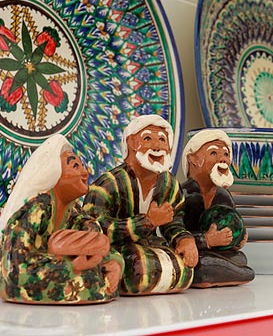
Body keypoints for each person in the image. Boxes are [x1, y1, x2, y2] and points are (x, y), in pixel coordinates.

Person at [0, 134, 123, 304]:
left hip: (62, 267)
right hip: (23, 274)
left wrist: (114, 262)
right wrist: (71, 265)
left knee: (95, 271)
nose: (85, 173)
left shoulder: (74, 211)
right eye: (75, 166)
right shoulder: (37, 209)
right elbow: (15, 266)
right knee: (88, 278)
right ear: (54, 173)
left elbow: (97, 241)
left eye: (82, 166)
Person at [82, 114, 198, 295]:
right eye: (148, 139)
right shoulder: (109, 184)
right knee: (138, 268)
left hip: (150, 246)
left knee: (185, 269)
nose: (157, 146)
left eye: (162, 140)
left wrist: (184, 240)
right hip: (117, 248)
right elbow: (94, 228)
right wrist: (147, 222)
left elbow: (174, 222)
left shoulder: (169, 184)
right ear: (131, 143)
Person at [181, 129, 255, 288]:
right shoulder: (183, 194)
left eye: (226, 154)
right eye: (213, 153)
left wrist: (237, 238)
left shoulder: (224, 195)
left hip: (216, 252)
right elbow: (174, 234)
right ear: (193, 159)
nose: (223, 159)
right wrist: (206, 240)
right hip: (192, 253)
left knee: (239, 257)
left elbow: (231, 223)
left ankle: (223, 272)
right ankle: (236, 273)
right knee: (202, 263)